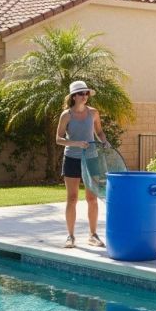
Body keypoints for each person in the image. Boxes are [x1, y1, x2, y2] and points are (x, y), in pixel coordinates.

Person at [56, 80, 110, 248]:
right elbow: (58, 139)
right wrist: (76, 143)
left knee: (92, 198)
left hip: (91, 158)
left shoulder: (93, 113)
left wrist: (104, 141)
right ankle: (70, 236)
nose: (84, 96)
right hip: (72, 159)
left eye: (86, 93)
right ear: (73, 96)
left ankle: (93, 235)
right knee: (72, 199)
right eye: (81, 93)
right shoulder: (66, 115)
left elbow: (99, 131)